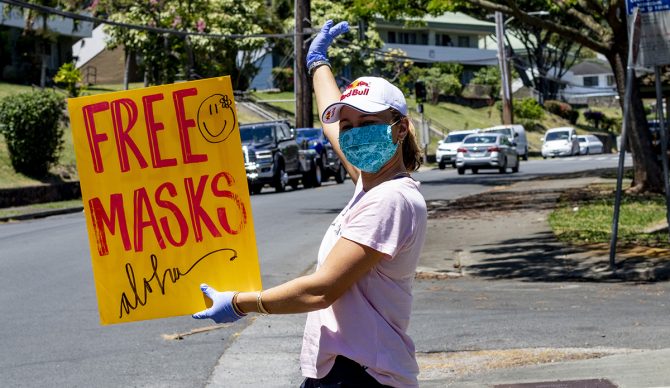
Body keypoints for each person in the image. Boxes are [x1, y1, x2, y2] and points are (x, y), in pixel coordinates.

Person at [192, 20, 427, 387]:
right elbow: (331, 122)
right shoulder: (371, 185)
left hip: (365, 376)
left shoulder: (390, 200)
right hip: (343, 372)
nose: (353, 133)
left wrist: (241, 303)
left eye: (367, 121)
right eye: (349, 126)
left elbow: (322, 289)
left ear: (400, 128)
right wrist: (317, 62)